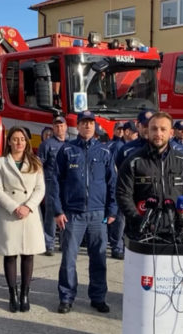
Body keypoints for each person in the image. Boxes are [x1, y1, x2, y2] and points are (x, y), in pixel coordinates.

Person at [51, 110, 117, 314]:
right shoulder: (67, 150)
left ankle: (98, 297)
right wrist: (57, 210)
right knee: (69, 257)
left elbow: (112, 182)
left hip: (98, 213)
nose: (87, 126)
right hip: (73, 213)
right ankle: (66, 297)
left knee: (98, 257)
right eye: (84, 123)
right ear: (77, 126)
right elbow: (54, 182)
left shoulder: (104, 151)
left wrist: (112, 209)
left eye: (90, 123)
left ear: (95, 126)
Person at [116, 112, 183, 239]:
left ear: (171, 132)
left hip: (176, 232)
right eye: (154, 129)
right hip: (141, 233)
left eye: (163, 129)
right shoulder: (133, 161)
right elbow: (123, 194)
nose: (158, 133)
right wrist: (138, 219)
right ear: (147, 131)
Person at [0, 127, 46, 313]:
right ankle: (12, 294)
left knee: (28, 254)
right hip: (9, 213)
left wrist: (28, 206)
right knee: (10, 254)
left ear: (27, 142)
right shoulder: (0, 163)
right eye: (15, 139)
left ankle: (25, 294)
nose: (19, 142)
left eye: (22, 139)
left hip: (28, 214)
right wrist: (15, 207)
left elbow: (40, 189)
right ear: (9, 142)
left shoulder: (35, 162)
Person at [107, 120, 139, 260]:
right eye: (135, 133)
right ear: (128, 132)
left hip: (131, 188)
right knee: (120, 220)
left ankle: (123, 245)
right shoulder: (119, 147)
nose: (137, 135)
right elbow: (115, 169)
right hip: (121, 187)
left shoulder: (130, 146)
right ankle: (117, 247)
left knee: (127, 220)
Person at [38, 116, 68, 256]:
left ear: (66, 127)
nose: (59, 128)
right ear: (53, 128)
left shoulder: (71, 144)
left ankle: (64, 243)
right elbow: (39, 165)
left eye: (61, 125)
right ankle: (49, 244)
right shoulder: (47, 144)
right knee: (51, 214)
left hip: (67, 183)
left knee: (65, 213)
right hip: (51, 183)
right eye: (56, 126)